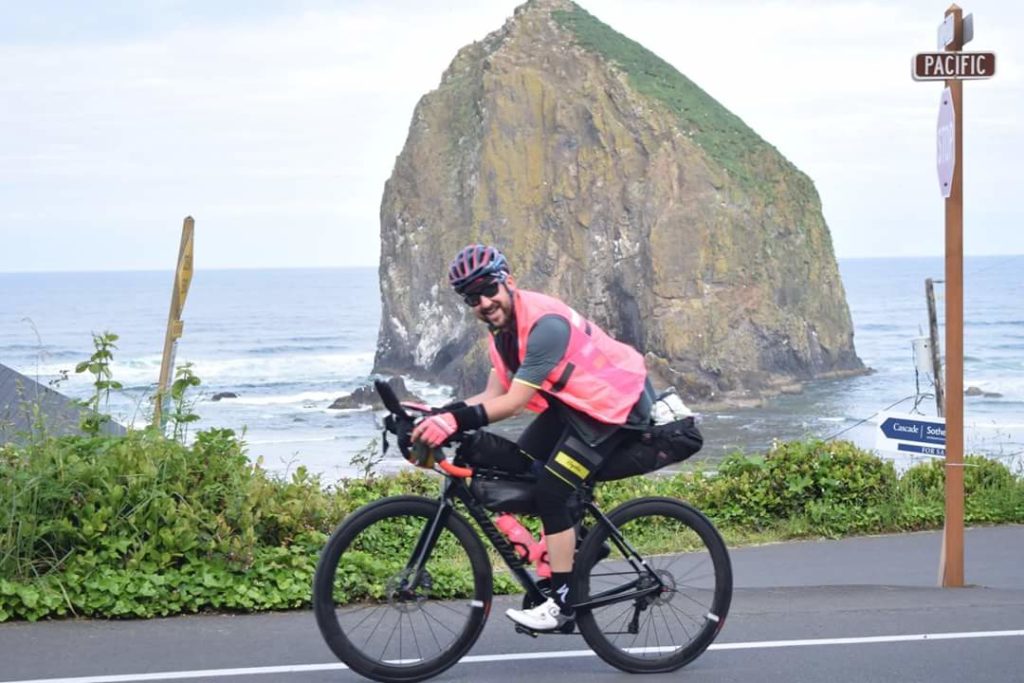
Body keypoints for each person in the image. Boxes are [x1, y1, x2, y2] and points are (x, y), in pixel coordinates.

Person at [411, 244, 655, 631]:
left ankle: (561, 603)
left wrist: (453, 424)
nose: (484, 302)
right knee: (520, 464)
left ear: (508, 281)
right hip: (577, 406)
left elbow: (514, 403)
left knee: (551, 490)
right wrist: (437, 415)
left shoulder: (544, 325)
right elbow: (493, 395)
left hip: (614, 407)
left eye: (489, 289)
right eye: (472, 297)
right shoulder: (502, 334)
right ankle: (580, 546)